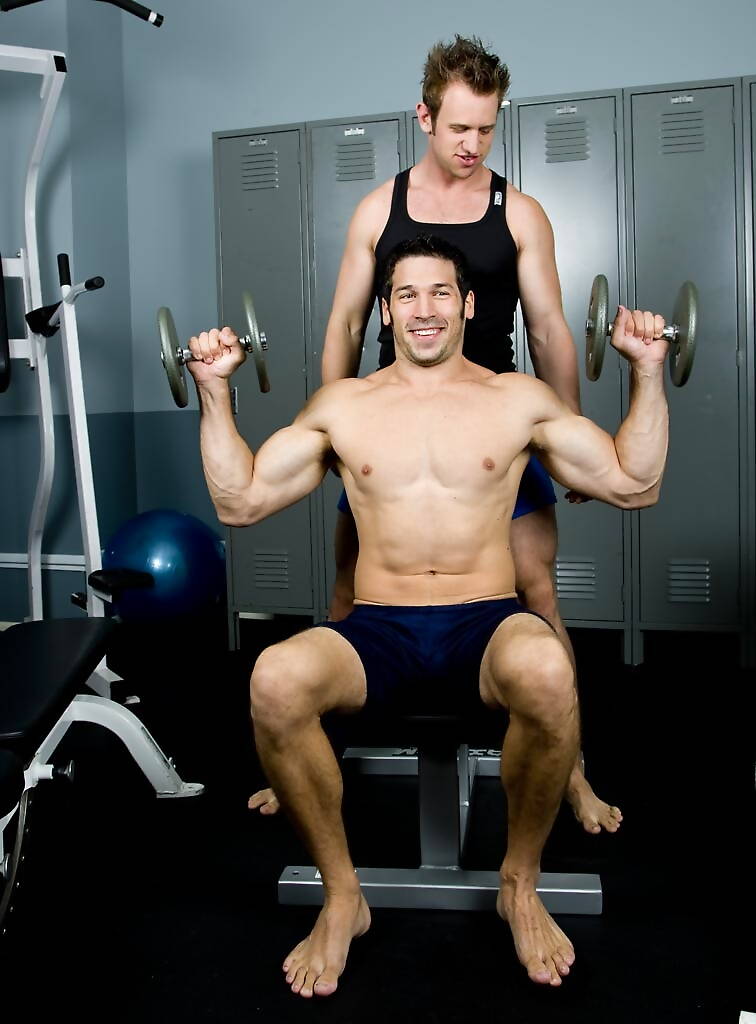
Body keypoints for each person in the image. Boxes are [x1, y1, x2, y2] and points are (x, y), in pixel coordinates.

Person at [188, 235, 669, 996]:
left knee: (547, 667)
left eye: (440, 292)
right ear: (386, 311)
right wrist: (215, 390)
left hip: (484, 624)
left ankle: (518, 884)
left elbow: (634, 482)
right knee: (275, 679)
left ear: (468, 304)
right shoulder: (344, 407)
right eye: (406, 294)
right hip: (378, 630)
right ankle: (343, 896)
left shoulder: (516, 400)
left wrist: (646, 369)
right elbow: (239, 500)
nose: (424, 309)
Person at [249, 34, 622, 835]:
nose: (472, 144)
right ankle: (307, 750)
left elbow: (550, 328)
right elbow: (347, 323)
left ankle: (572, 769)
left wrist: (570, 442)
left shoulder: (518, 212)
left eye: (486, 128)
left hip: (498, 433)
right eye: (458, 128)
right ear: (424, 117)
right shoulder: (378, 210)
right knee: (348, 593)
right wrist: (330, 432)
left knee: (537, 596)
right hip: (390, 430)